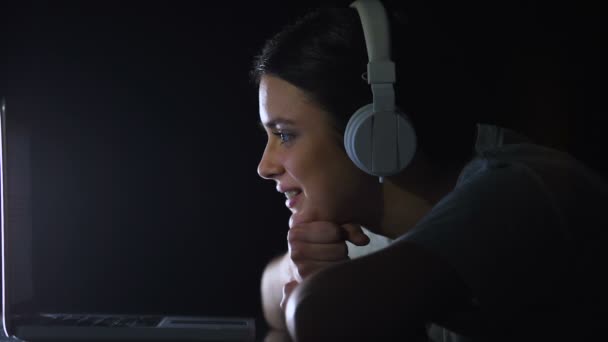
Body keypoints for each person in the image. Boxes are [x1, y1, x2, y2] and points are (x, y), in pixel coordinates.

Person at [251, 0, 608, 341]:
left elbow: (318, 316)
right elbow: (271, 295)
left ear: (374, 133)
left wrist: (315, 287)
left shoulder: (516, 192)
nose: (265, 167)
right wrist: (300, 267)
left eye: (285, 134)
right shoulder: (378, 217)